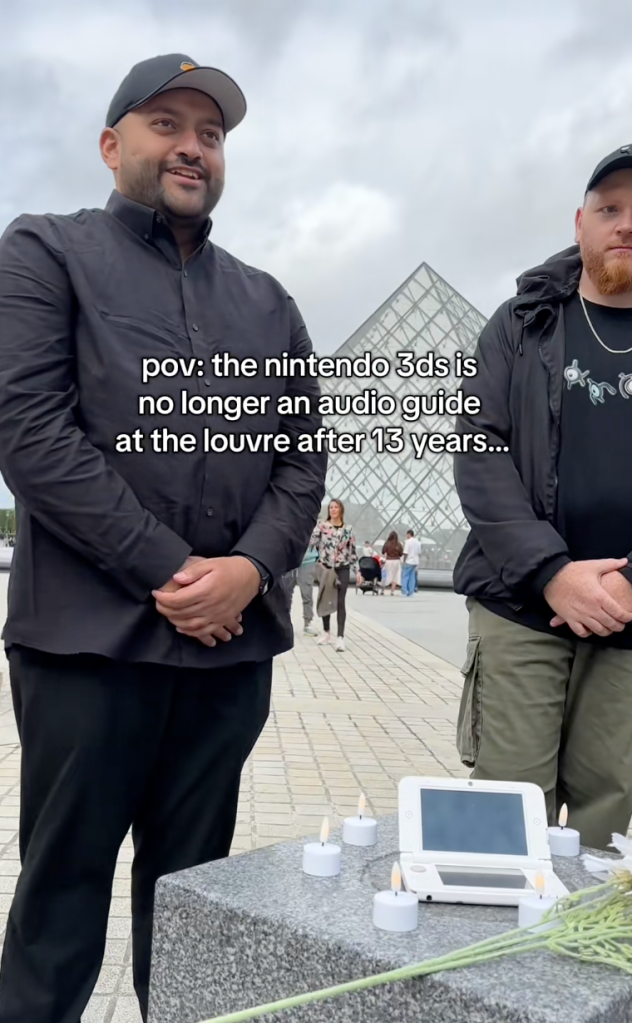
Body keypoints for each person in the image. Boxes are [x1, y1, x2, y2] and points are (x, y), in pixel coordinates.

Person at [0, 54, 327, 1023]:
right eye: (165, 124)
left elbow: (302, 459)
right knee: (61, 894)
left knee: (194, 903)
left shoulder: (268, 302)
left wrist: (248, 569)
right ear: (111, 146)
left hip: (226, 659)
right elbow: (30, 433)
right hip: (87, 644)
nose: (192, 146)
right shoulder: (42, 253)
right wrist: (177, 572)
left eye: (211, 133)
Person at [453, 144, 632, 852]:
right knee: (507, 812)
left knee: (608, 819)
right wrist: (552, 573)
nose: (626, 224)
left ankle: (572, 964)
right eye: (610, 208)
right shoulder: (518, 324)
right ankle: (488, 964)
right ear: (579, 222)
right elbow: (480, 450)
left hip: (629, 615)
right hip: (522, 601)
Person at [311, 499, 360, 651]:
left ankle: (340, 637)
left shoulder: (348, 529)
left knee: (340, 602)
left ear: (341, 510)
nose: (333, 510)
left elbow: (352, 552)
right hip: (326, 568)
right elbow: (311, 541)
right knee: (326, 599)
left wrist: (357, 571)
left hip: (342, 568)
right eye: (331, 507)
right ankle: (326, 633)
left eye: (336, 507)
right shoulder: (322, 526)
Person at [280, 545, 319, 636]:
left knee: (307, 594)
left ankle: (308, 623)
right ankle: (284, 624)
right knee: (285, 594)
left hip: (308, 561)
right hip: (289, 561)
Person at [401, 529, 421, 596]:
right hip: (415, 561)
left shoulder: (408, 542)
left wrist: (404, 561)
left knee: (405, 576)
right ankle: (411, 592)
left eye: (407, 534)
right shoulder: (418, 542)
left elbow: (406, 552)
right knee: (412, 577)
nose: (406, 536)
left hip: (409, 561)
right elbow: (419, 552)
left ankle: (404, 591)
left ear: (409, 534)